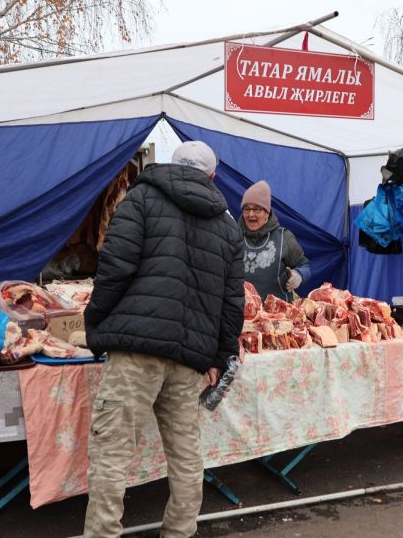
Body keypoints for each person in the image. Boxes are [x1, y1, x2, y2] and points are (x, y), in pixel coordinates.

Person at [83, 140, 245, 538]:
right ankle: (179, 533)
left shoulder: (140, 199)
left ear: (172, 165)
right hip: (189, 358)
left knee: (113, 454)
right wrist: (221, 357)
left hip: (136, 349)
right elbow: (231, 303)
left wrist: (95, 324)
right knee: (186, 456)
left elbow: (114, 268)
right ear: (212, 176)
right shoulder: (227, 227)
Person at [239, 180, 311, 302]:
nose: (251, 214)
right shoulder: (234, 236)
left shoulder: (284, 237)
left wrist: (299, 275)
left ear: (267, 212)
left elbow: (305, 266)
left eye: (257, 209)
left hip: (277, 316)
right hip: (243, 314)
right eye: (246, 209)